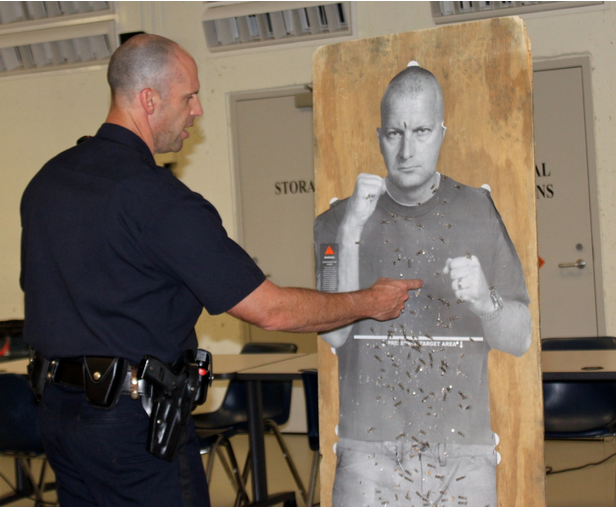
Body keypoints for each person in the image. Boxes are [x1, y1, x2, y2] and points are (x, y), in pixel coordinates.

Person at [19, 34, 422, 507]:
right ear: (149, 99)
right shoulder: (158, 199)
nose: (197, 110)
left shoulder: (48, 181)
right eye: (189, 96)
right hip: (131, 429)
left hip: (59, 416)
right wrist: (369, 302)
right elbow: (270, 310)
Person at [314, 62, 531, 507]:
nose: (407, 150)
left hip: (462, 454)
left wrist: (485, 301)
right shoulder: (338, 220)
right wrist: (352, 230)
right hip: (367, 452)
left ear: (442, 133)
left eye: (422, 131)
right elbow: (333, 334)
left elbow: (520, 339)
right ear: (380, 137)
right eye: (395, 134)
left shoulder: (479, 210)